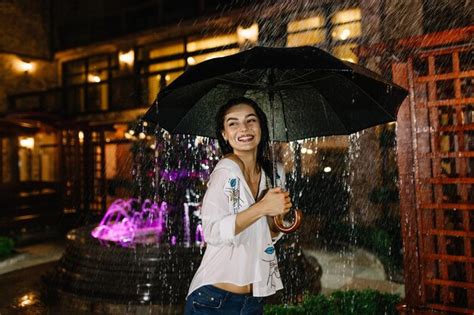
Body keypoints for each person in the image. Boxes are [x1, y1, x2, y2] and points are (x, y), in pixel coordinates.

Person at [184, 97, 292, 314]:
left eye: (251, 121)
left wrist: (280, 220)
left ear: (261, 126)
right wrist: (262, 207)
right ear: (224, 134)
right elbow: (212, 232)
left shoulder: (273, 174)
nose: (244, 128)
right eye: (233, 123)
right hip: (213, 300)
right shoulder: (226, 170)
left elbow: (264, 236)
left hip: (252, 301)